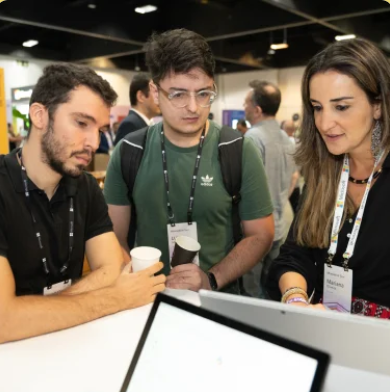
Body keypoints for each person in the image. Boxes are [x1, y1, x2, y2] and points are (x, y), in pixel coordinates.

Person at [0, 63, 165, 344]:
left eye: (100, 129)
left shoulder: (85, 186)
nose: (94, 142)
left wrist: (30, 310)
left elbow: (111, 268)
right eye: (81, 123)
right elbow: (4, 322)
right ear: (40, 115)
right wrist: (113, 298)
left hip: (75, 348)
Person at [104, 29, 274, 294]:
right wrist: (136, 281)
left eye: (203, 93)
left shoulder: (238, 150)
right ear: (155, 92)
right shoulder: (129, 151)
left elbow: (260, 234)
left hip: (217, 303)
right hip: (148, 301)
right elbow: (114, 237)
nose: (194, 107)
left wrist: (211, 279)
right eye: (179, 94)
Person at [267, 38, 390, 319]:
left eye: (341, 107)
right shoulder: (326, 173)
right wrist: (295, 298)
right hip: (326, 332)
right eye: (317, 107)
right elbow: (294, 255)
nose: (323, 123)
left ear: (378, 106)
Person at [242, 80, 298, 298]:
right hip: (279, 225)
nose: (243, 106)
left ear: (256, 109)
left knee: (251, 291)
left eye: (246, 102)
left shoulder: (253, 138)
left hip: (256, 230)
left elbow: (248, 189)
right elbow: (292, 180)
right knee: (269, 287)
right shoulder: (287, 139)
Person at [114, 72, 160, 145]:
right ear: (141, 96)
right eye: (155, 93)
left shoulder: (146, 123)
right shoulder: (130, 125)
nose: (159, 98)